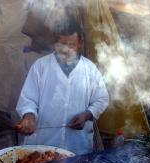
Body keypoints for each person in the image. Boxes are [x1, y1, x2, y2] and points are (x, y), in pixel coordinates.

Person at [16, 17, 109, 155]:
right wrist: (29, 116)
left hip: (77, 147)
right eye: (61, 44)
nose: (65, 50)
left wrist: (87, 115)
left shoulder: (90, 69)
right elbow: (28, 100)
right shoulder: (40, 66)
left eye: (71, 45)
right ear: (55, 43)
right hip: (43, 146)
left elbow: (101, 99)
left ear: (80, 43)